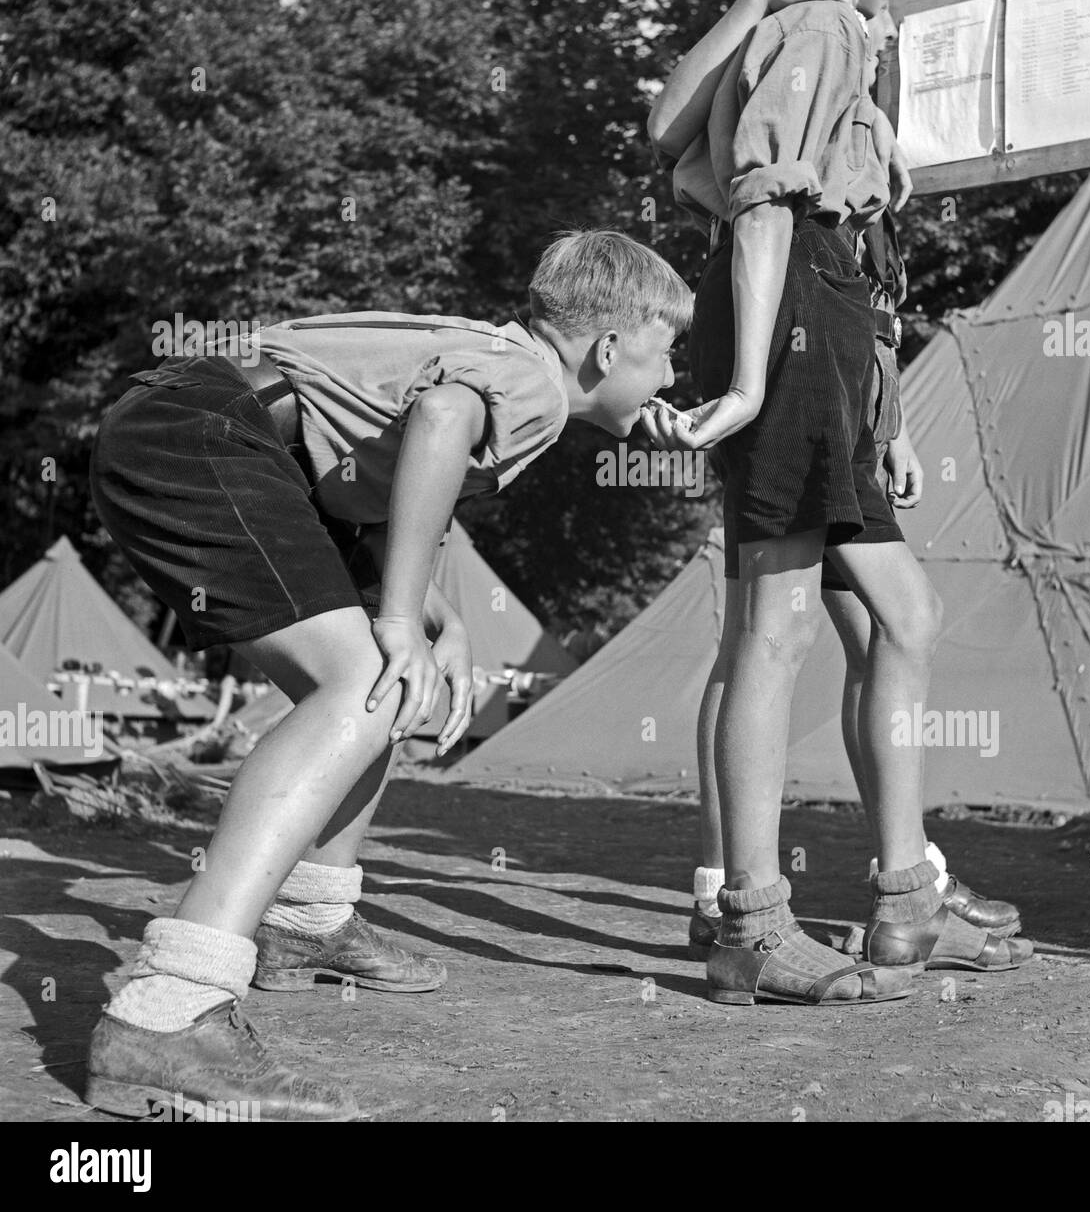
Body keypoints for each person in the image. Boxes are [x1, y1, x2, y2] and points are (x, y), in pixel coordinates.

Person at [85, 230, 692, 1118]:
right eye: (668, 353)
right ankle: (169, 1008)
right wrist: (401, 618)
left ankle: (307, 918)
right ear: (608, 349)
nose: (673, 378)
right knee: (361, 675)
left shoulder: (499, 357)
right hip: (210, 436)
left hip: (202, 428)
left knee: (379, 684)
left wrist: (435, 619)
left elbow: (386, 476)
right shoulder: (533, 385)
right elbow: (444, 422)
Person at [645, 0, 1032, 1006]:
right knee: (776, 624)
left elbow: (841, 243)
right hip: (789, 315)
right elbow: (767, 204)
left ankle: (904, 902)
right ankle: (754, 920)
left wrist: (889, 411)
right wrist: (761, 379)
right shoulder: (818, 32)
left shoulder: (809, 30)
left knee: (895, 613)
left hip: (824, 324)